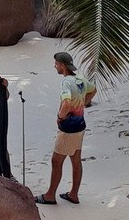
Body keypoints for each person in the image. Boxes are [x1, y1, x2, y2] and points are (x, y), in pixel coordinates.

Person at [37, 51, 96, 206]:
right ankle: (74, 194)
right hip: (80, 125)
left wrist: (60, 117)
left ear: (62, 65)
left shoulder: (66, 83)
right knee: (76, 160)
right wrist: (83, 103)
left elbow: (67, 103)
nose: (55, 66)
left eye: (56, 63)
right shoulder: (80, 79)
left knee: (56, 161)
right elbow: (93, 89)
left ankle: (50, 195)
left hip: (68, 128)